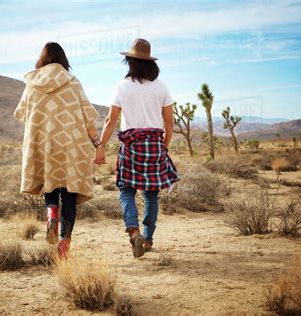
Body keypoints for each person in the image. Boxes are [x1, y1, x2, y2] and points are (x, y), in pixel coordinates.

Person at [14, 42, 105, 258]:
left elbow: (25, 115)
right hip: (71, 146)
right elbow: (87, 119)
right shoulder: (73, 83)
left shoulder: (32, 84)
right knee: (70, 194)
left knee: (50, 187)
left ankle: (51, 212)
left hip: (45, 145)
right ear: (64, 59)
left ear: (42, 59)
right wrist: (98, 145)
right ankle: (65, 242)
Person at [96, 38, 180, 258]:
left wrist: (101, 146)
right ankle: (148, 239)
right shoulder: (161, 87)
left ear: (130, 62)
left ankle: (133, 232)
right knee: (151, 195)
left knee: (126, 190)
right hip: (154, 146)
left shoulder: (122, 86)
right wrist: (165, 147)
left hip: (132, 146)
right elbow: (169, 122)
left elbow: (110, 120)